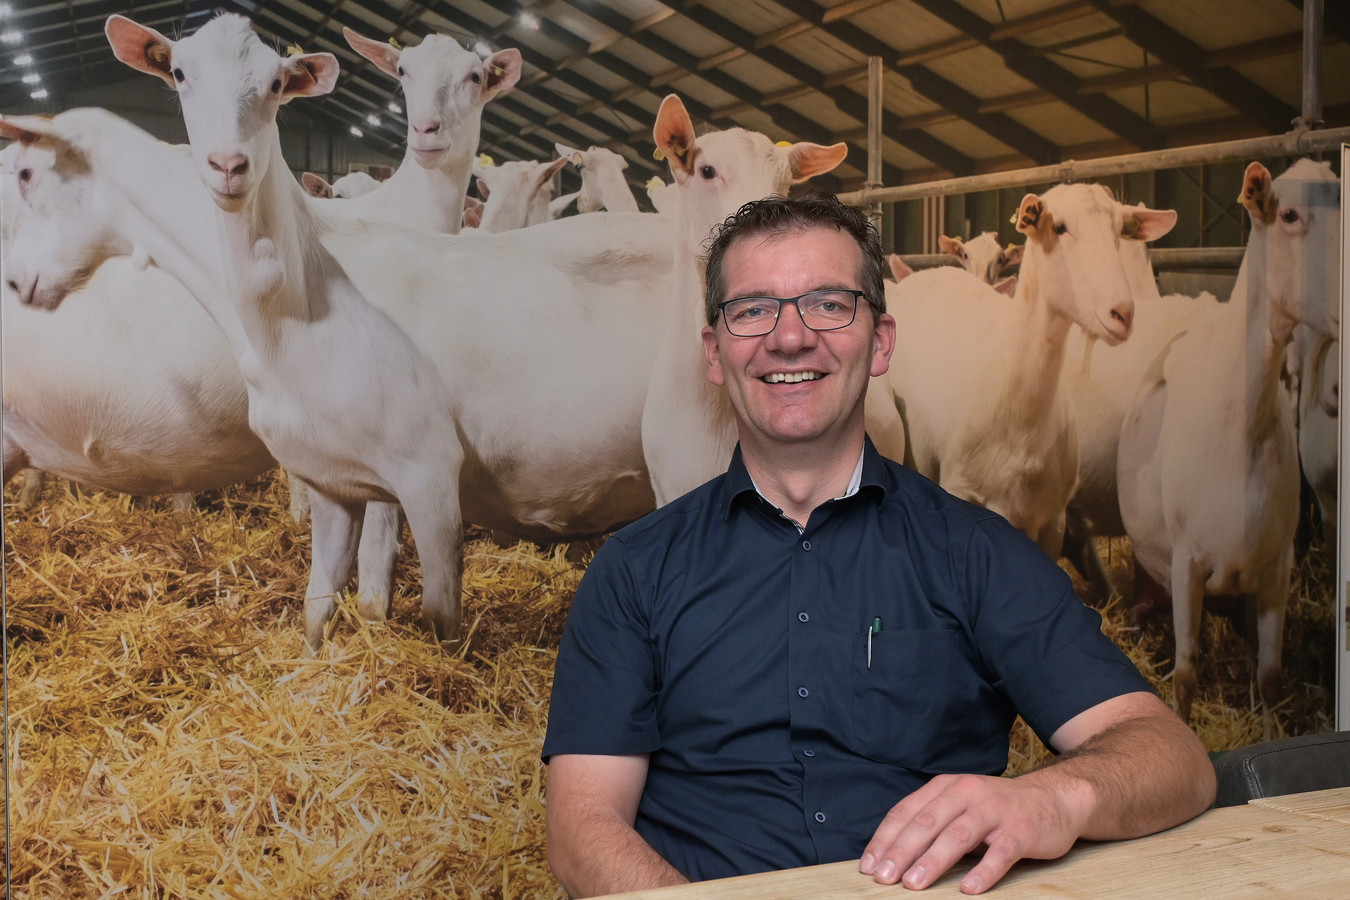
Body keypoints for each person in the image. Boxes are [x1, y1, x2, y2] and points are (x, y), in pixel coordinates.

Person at [542, 191, 1215, 897]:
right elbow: (582, 827)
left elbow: (1171, 757)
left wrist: (1052, 798)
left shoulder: (974, 554)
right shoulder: (636, 572)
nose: (791, 337)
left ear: (883, 341)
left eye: (830, 304)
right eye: (752, 310)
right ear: (715, 353)